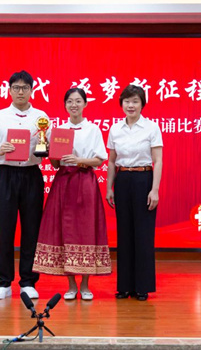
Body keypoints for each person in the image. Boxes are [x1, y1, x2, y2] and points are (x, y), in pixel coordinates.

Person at [33, 88, 111, 301]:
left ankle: (85, 285)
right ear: (65, 105)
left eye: (78, 101)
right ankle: (71, 285)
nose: (74, 105)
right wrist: (47, 147)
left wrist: (79, 161)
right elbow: (55, 163)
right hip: (63, 182)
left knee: (86, 230)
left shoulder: (93, 129)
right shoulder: (58, 129)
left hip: (85, 181)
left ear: (85, 104)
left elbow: (99, 160)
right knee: (64, 230)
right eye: (69, 101)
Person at [0, 70, 49, 300]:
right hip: (6, 176)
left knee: (32, 230)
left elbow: (47, 148)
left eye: (25, 88)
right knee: (4, 230)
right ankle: (3, 283)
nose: (20, 92)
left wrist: (48, 147)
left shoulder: (41, 117)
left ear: (31, 90)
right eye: (16, 88)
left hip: (31, 175)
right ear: (9, 90)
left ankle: (28, 281)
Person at [106, 84, 163, 301]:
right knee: (124, 233)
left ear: (142, 104)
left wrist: (154, 190)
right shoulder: (115, 129)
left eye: (135, 101)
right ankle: (125, 286)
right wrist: (109, 187)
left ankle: (142, 286)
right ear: (121, 104)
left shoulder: (151, 128)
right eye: (127, 101)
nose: (131, 105)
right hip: (122, 180)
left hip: (143, 179)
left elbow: (158, 161)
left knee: (143, 233)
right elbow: (112, 161)